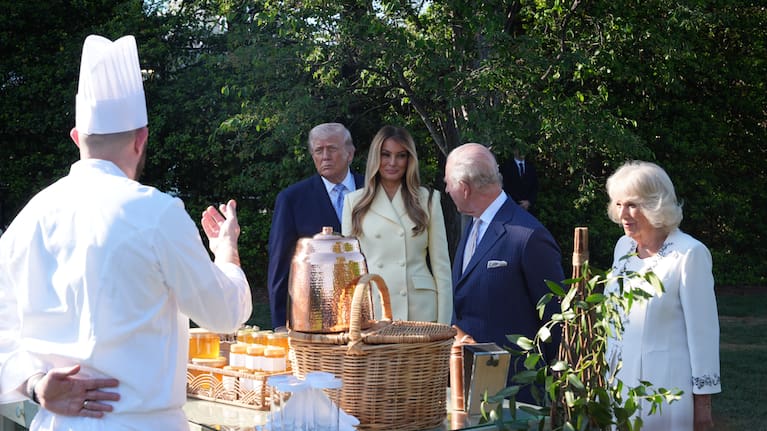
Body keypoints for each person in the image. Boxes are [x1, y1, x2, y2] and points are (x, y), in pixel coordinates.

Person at [0, 35, 252, 430]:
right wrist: (226, 252)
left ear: (76, 138)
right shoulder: (156, 213)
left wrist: (32, 384)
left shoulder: (30, 217)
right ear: (142, 139)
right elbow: (222, 314)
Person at [444, 143, 564, 404]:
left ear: (464, 187)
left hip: (516, 395)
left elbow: (556, 321)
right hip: (468, 384)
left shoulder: (528, 236)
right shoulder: (473, 226)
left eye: (448, 183)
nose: (446, 190)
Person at [604, 161, 720, 430]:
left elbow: (703, 335)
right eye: (619, 204)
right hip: (620, 387)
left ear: (656, 204)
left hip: (666, 391)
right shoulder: (623, 247)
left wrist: (702, 405)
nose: (623, 214)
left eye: (632, 204)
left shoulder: (689, 253)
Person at [341, 126, 452, 323]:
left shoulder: (428, 199)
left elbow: (441, 266)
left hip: (420, 309)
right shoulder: (354, 203)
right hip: (375, 307)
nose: (393, 163)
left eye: (401, 156)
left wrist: (444, 324)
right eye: (386, 155)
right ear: (376, 157)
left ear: (409, 160)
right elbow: (349, 272)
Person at [267, 123, 364, 330]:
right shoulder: (292, 199)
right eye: (319, 150)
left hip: (370, 312)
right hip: (317, 318)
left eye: (332, 148)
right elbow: (280, 264)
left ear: (350, 153)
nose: (325, 156)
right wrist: (280, 323)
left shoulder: (373, 190)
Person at [501, 147, 538, 213]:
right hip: (511, 208)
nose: (522, 152)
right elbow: (505, 188)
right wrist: (516, 203)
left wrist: (529, 202)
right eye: (519, 149)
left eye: (524, 149)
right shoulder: (506, 167)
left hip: (529, 209)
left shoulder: (531, 167)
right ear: (514, 150)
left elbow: (535, 187)